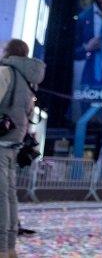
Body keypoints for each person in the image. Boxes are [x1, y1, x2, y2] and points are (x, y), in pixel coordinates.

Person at [0, 39, 45, 257]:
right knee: (8, 196)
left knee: (1, 197)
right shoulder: (28, 80)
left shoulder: (6, 72)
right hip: (13, 144)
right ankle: (9, 247)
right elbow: (28, 115)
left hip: (0, 143)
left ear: (9, 52)